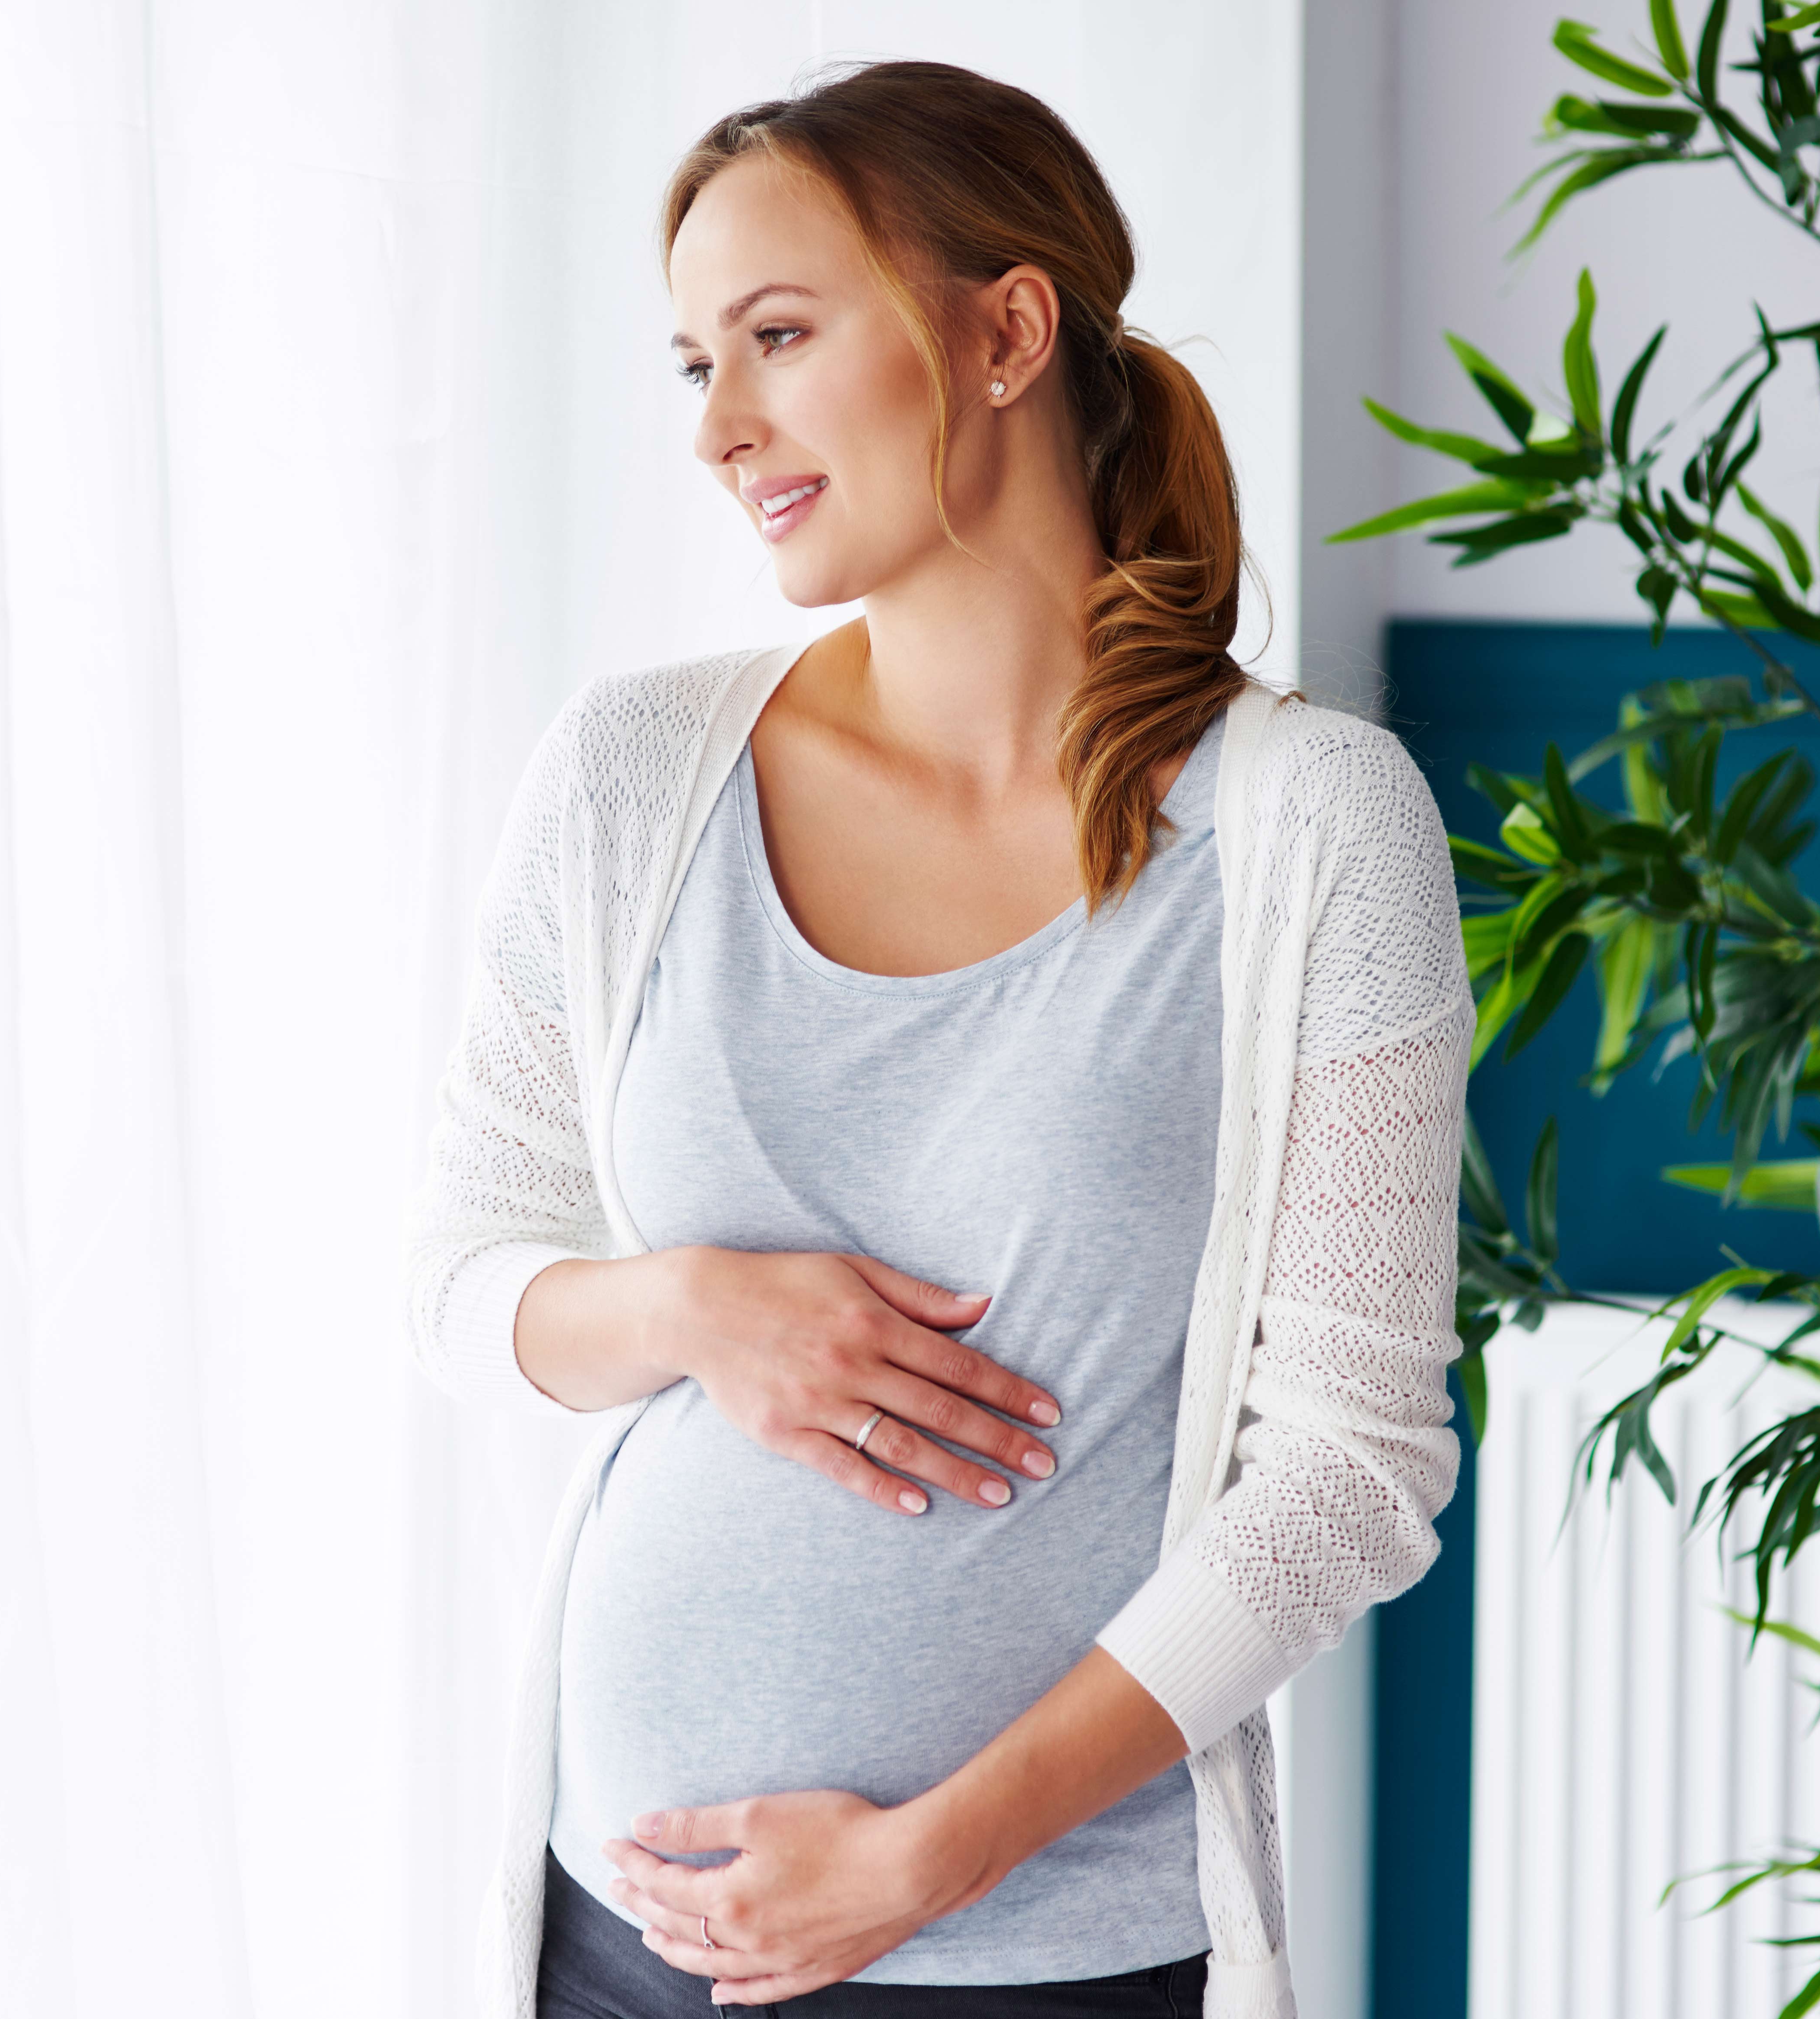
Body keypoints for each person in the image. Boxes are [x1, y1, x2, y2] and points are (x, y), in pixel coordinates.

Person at [405, 58, 1470, 2019]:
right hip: (617, 1935)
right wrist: (697, 1306)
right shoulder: (632, 778)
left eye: (779, 337)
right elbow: (466, 1276)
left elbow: (1345, 1469)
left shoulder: (1315, 829)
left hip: (1043, 1959)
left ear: (1004, 332)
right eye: (693, 365)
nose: (722, 428)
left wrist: (924, 1858)